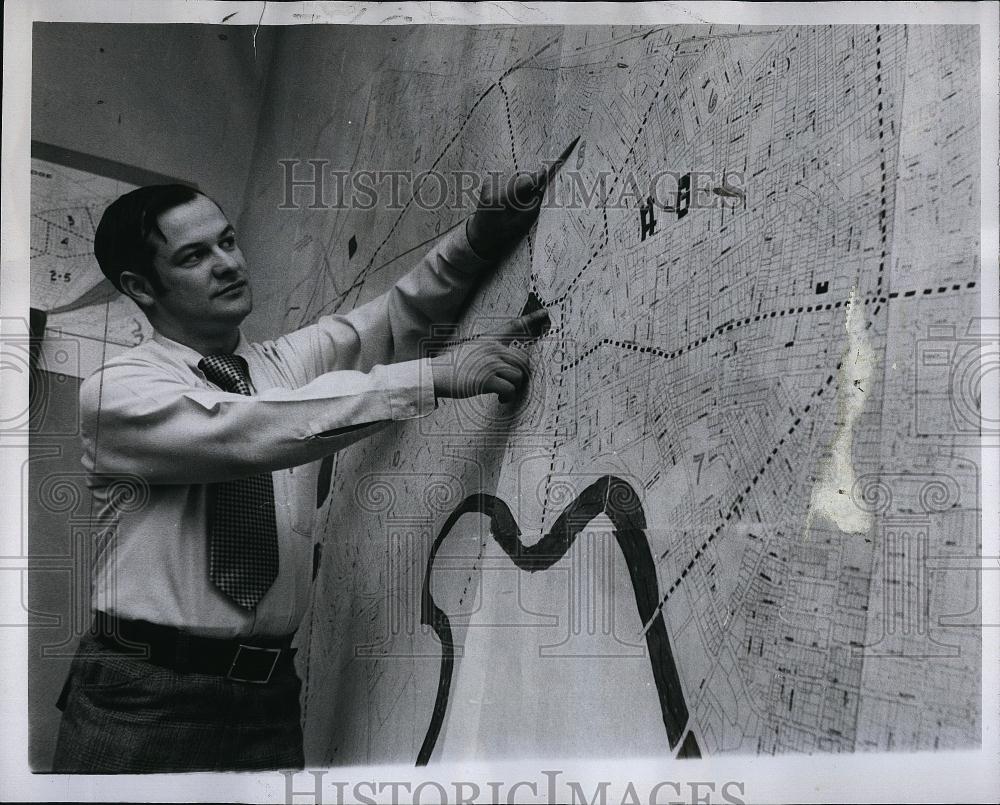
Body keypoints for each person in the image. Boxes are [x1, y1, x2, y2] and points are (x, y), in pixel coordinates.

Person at [51, 168, 551, 773]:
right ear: (140, 285)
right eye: (194, 256)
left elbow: (396, 316)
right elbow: (250, 428)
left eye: (227, 241)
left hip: (268, 699)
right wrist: (433, 377)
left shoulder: (279, 365)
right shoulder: (117, 395)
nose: (228, 264)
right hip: (144, 697)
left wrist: (477, 237)